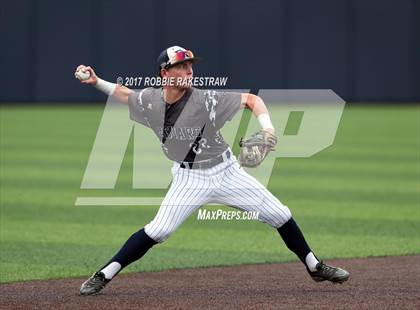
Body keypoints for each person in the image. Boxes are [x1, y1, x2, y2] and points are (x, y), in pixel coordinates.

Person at [75, 46, 349, 296]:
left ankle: (314, 267)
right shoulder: (150, 100)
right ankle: (104, 274)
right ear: (165, 73)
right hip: (189, 178)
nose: (189, 71)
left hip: (226, 171)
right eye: (181, 66)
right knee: (159, 230)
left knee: (280, 214)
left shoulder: (206, 100)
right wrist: (96, 81)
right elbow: (125, 94)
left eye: (191, 66)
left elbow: (252, 101)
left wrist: (268, 129)